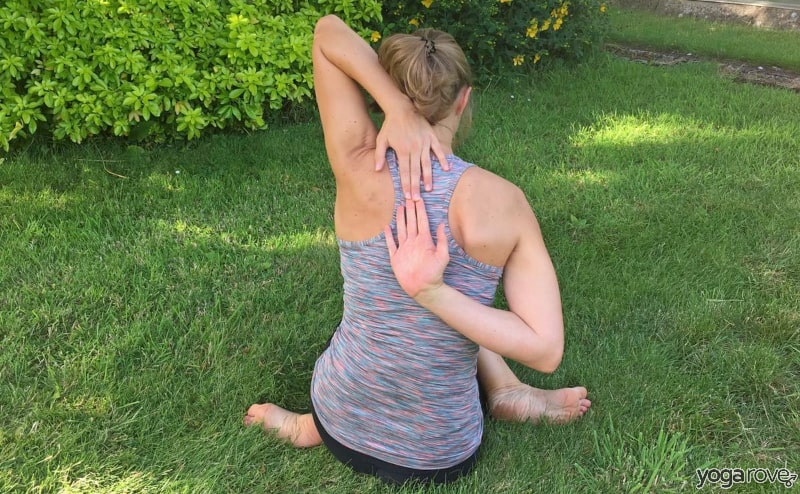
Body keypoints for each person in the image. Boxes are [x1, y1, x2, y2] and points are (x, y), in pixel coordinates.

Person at [244, 14, 591, 485]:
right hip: (441, 449)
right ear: (463, 99)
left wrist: (393, 105)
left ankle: (307, 426)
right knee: (461, 309)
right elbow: (545, 348)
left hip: (341, 414)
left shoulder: (356, 165)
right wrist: (435, 293)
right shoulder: (504, 202)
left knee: (381, 322)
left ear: (384, 92)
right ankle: (505, 389)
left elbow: (327, 32)